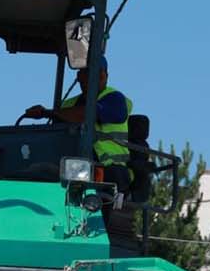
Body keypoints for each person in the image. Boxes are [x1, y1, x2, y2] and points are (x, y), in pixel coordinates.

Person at [23, 56, 133, 196]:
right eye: (88, 73)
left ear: (105, 75)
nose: (100, 77)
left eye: (102, 73)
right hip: (75, 168)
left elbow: (86, 115)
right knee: (36, 170)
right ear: (79, 76)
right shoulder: (68, 105)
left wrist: (47, 113)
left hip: (110, 170)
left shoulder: (115, 99)